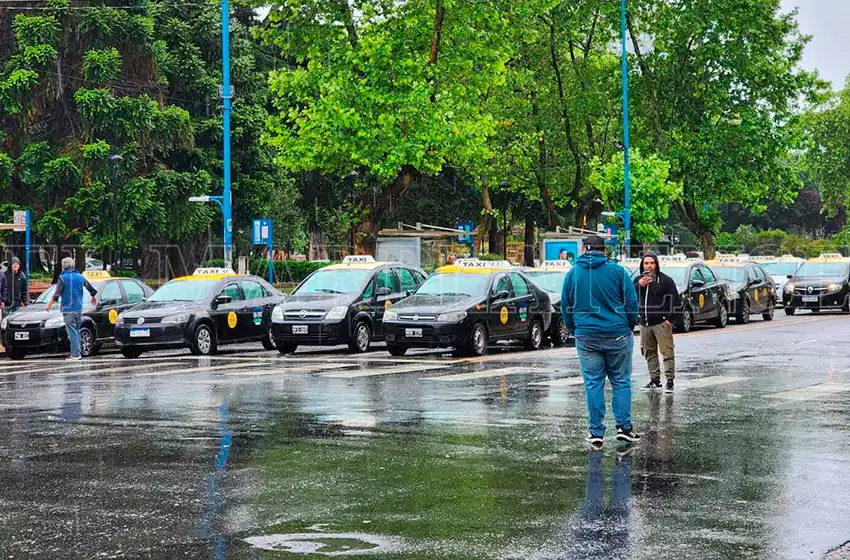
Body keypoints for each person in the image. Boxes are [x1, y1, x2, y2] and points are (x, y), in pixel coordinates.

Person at [561, 235, 640, 450]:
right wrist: (629, 325)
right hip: (617, 334)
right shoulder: (617, 272)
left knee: (593, 383)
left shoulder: (573, 273)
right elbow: (631, 303)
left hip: (586, 336)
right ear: (604, 251)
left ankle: (596, 432)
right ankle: (624, 428)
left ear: (585, 249)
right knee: (621, 382)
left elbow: (565, 306)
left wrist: (574, 329)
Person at [634, 252, 679, 393]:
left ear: (656, 264)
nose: (649, 266)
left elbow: (675, 300)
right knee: (649, 352)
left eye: (652, 263)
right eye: (646, 263)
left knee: (667, 352)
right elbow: (627, 294)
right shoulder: (638, 280)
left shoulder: (665, 280)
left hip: (661, 323)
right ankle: (655, 380)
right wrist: (638, 285)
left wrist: (669, 320)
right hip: (644, 323)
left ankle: (670, 380)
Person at [45, 258, 98, 361]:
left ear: (64, 266)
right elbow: (90, 288)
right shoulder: (80, 277)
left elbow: (57, 294)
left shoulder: (63, 278)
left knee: (72, 332)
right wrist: (93, 297)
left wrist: (49, 304)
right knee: (76, 331)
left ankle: (75, 354)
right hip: (78, 309)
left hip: (68, 309)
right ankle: (77, 352)